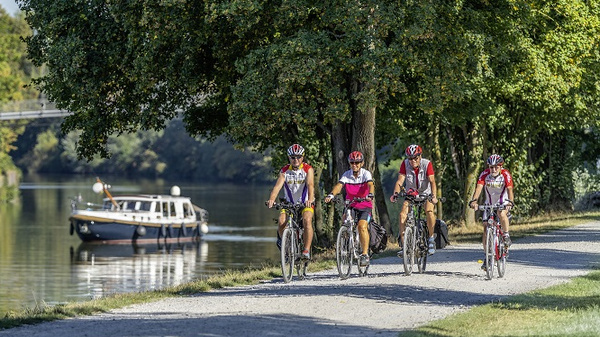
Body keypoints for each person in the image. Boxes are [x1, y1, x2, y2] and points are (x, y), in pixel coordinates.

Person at [324, 151, 375, 267]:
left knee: (362, 226)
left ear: (361, 163)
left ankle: (365, 254)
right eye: (352, 163)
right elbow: (339, 185)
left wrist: (370, 194)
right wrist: (331, 195)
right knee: (345, 221)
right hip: (351, 204)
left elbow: (371, 185)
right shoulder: (347, 174)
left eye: (357, 162)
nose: (354, 165)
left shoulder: (366, 174)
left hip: (364, 205)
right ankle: (346, 243)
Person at [266, 144, 315, 260]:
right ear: (289, 158)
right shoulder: (284, 171)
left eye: (298, 157)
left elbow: (310, 185)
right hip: (289, 203)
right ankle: (286, 245)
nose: (296, 160)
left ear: (302, 157)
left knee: (307, 220)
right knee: (281, 221)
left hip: (305, 203)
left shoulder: (308, 169)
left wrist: (310, 199)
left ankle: (306, 250)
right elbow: (277, 187)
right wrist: (272, 199)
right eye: (293, 157)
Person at [390, 144, 439, 256]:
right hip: (411, 194)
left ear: (420, 156)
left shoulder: (427, 164)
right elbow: (399, 181)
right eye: (410, 158)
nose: (413, 161)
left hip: (426, 193)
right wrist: (395, 194)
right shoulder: (405, 164)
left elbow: (432, 181)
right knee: (402, 215)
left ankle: (431, 239)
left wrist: (434, 196)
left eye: (415, 158)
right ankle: (404, 245)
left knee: (429, 211)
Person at [469, 154, 514, 269]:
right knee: (485, 228)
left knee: (501, 213)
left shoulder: (505, 174)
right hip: (489, 204)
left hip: (502, 202)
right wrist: (474, 201)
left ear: (500, 166)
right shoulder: (484, 174)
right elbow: (478, 188)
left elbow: (510, 190)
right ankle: (487, 256)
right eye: (491, 167)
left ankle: (506, 235)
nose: (493, 170)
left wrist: (510, 202)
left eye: (496, 167)